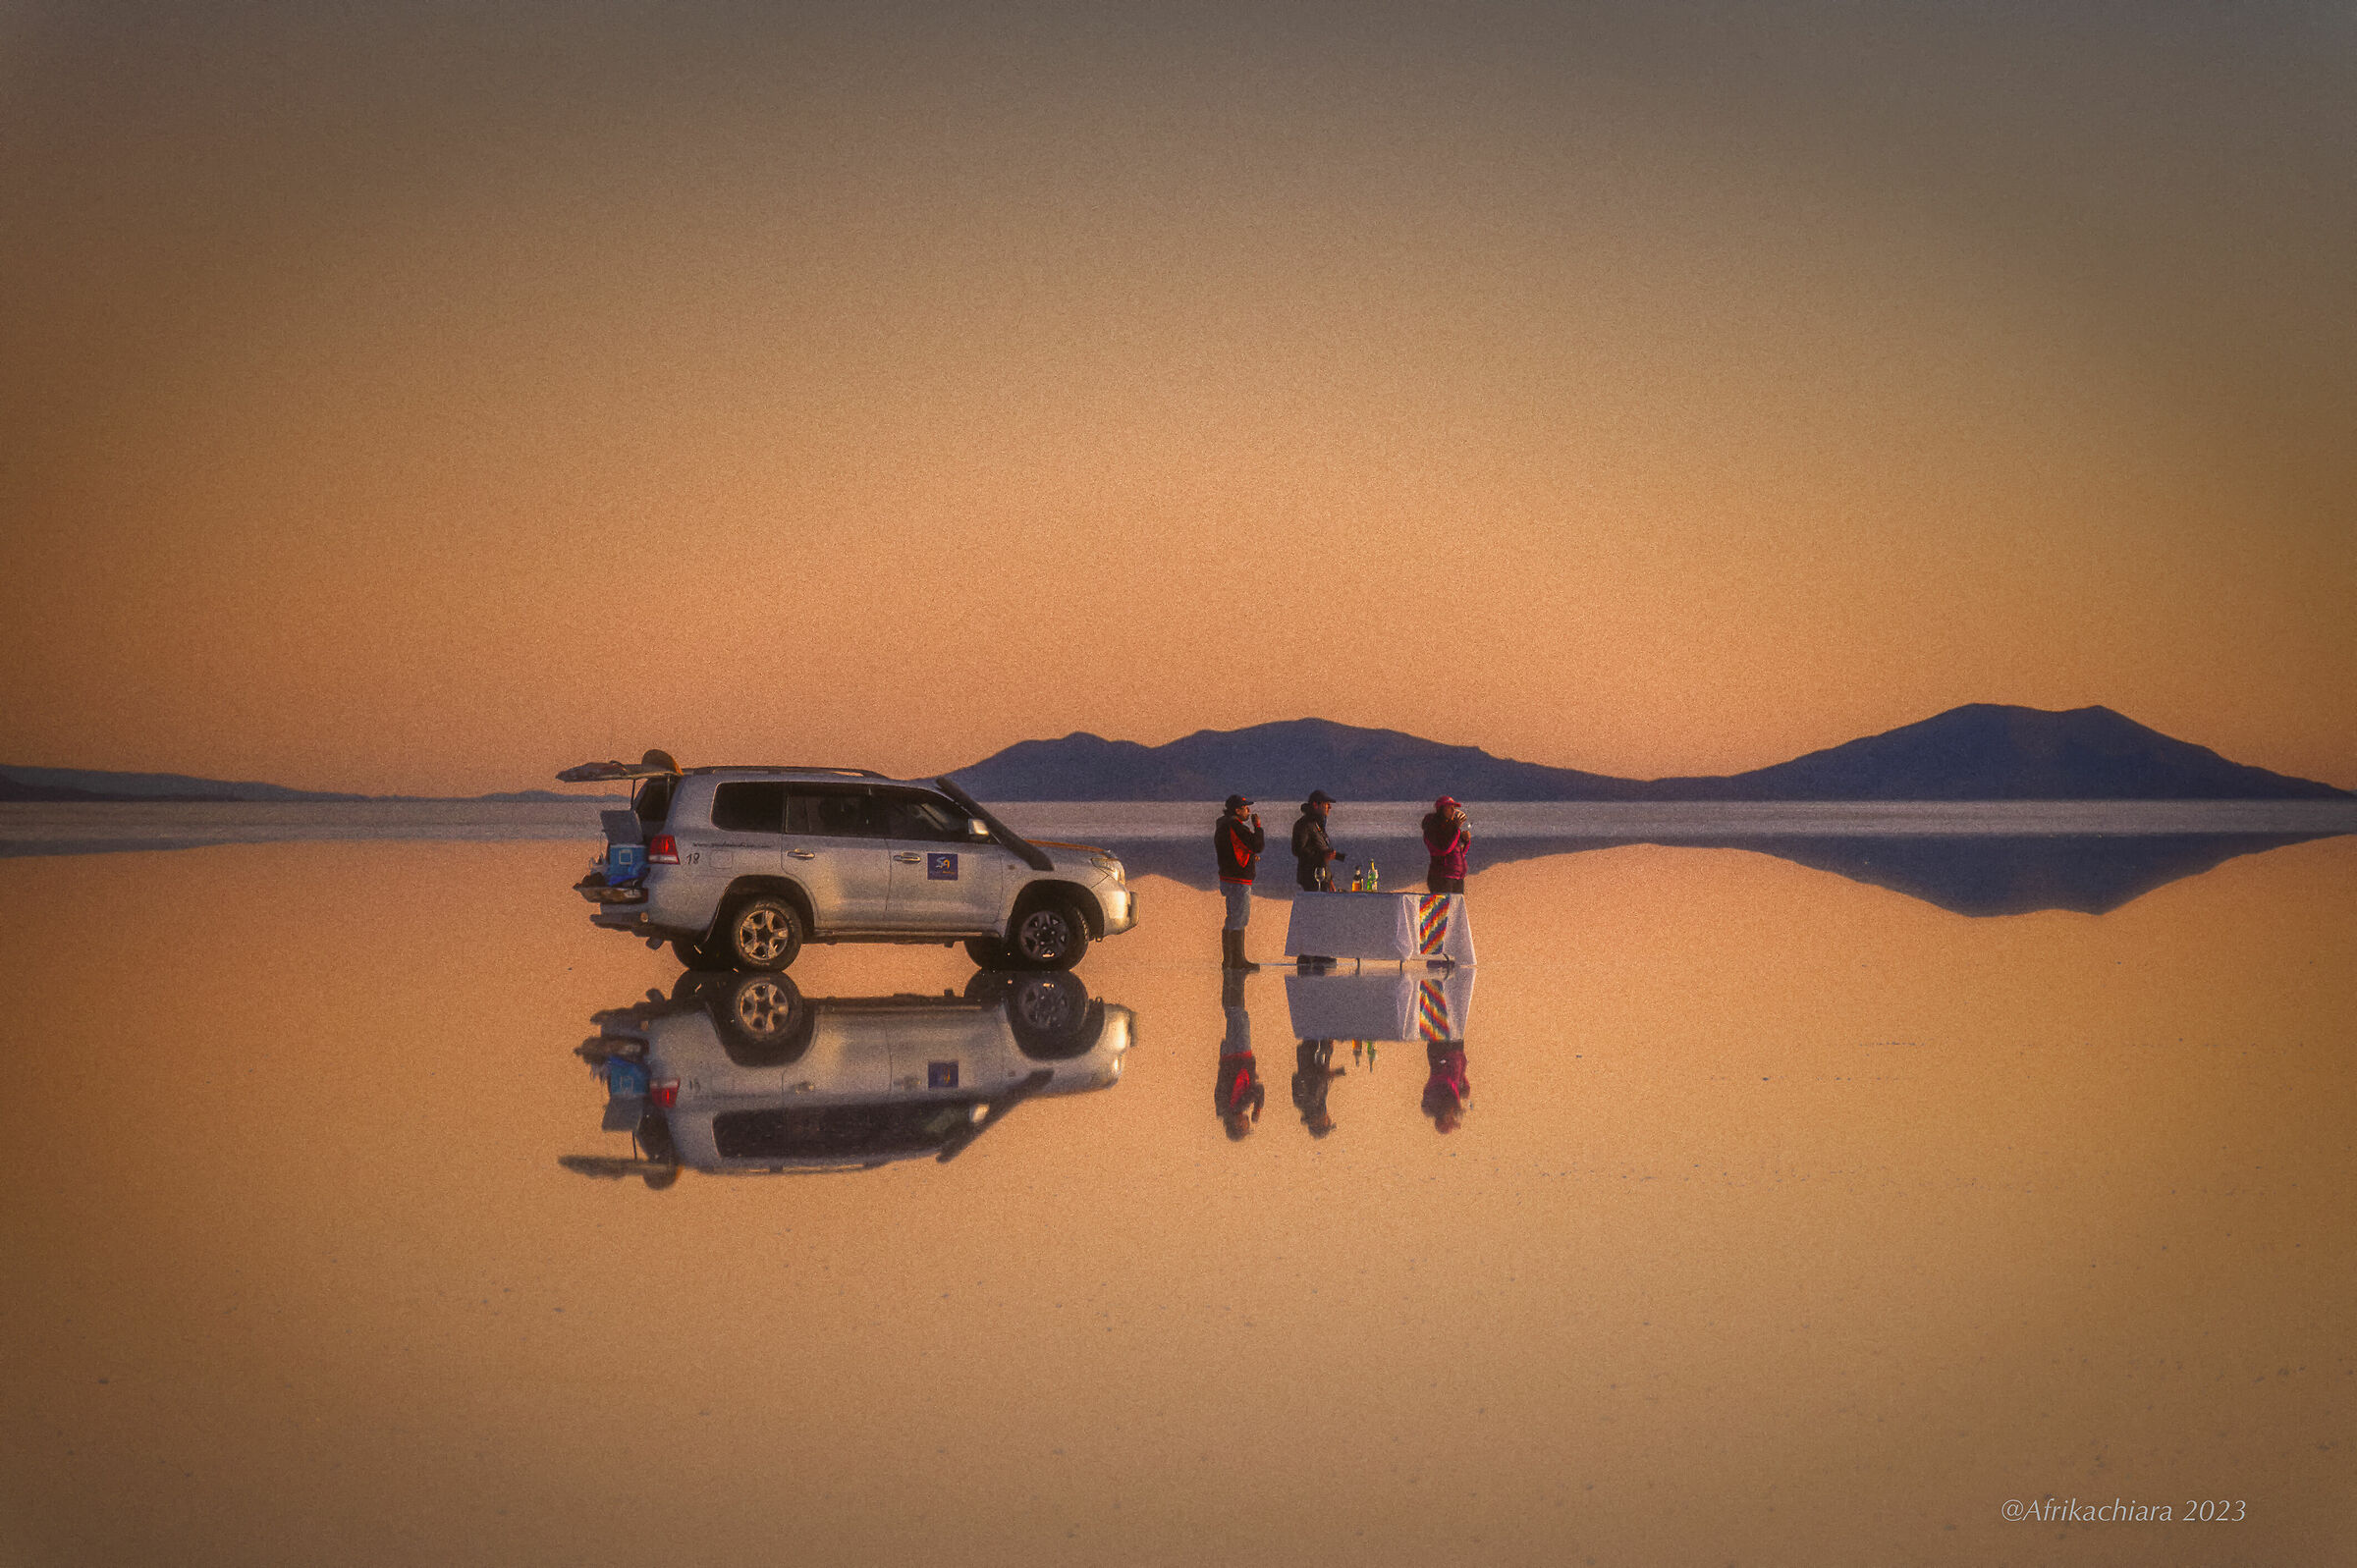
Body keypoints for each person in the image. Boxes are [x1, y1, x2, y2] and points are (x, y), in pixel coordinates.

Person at [1213, 792, 1266, 971]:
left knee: (1232, 918)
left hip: (1228, 878)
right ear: (1237, 810)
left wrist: (1250, 858)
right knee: (1239, 919)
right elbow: (1257, 845)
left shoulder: (1223, 826)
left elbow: (1232, 850)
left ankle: (1229, 961)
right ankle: (1237, 961)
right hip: (1238, 880)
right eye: (1245, 808)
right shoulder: (1236, 826)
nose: (1248, 811)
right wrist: (1257, 826)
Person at [1215, 970, 1264, 1139]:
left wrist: (1257, 1109)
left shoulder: (1238, 1106)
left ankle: (1236, 975)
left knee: (1239, 1016)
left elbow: (1258, 1090)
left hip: (1241, 1056)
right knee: (1233, 1015)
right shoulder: (1222, 1108)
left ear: (1236, 1126)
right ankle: (1231, 976)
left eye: (1244, 1127)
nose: (1246, 1123)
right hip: (1228, 1057)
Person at [1290, 789, 1343, 892]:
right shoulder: (1304, 824)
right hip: (1312, 880)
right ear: (1315, 805)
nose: (1330, 807)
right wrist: (1322, 856)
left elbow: (1321, 850)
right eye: (1326, 804)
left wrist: (1329, 879)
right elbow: (1298, 850)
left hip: (1323, 880)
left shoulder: (1317, 824)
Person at [1291, 1038, 1344, 1137]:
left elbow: (1318, 1078)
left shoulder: (1312, 1105)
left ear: (1319, 1124)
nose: (1328, 1118)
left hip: (1313, 1050)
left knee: (1320, 1028)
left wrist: (1331, 1074)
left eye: (1327, 1122)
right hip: (1309, 1052)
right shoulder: (1308, 1105)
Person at [1421, 795, 1470, 895]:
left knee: (1455, 910)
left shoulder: (1451, 828)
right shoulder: (1433, 828)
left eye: (1454, 807)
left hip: (1457, 877)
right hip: (1442, 877)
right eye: (1449, 807)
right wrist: (1456, 829)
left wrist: (1466, 841)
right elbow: (1444, 850)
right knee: (1443, 910)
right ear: (1441, 810)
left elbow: (1460, 853)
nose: (1453, 810)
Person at [1421, 1039, 1470, 1134]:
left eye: (1450, 1121)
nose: (1453, 1118)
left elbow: (1443, 1079)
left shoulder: (1434, 1100)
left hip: (1442, 1051)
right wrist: (1464, 1086)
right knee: (1456, 1025)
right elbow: (1457, 1077)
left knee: (1438, 1025)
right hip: (1456, 1052)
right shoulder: (1452, 1103)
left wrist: (1456, 1097)